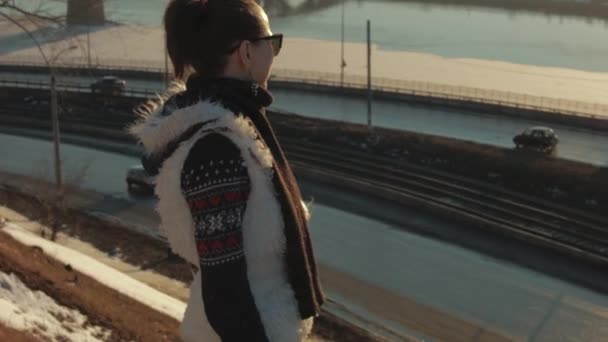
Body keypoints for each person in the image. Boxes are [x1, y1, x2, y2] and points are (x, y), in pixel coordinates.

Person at [129, 0, 324, 341]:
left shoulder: (235, 129)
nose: (275, 54)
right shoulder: (216, 151)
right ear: (246, 53)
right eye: (272, 43)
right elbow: (225, 293)